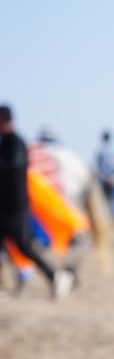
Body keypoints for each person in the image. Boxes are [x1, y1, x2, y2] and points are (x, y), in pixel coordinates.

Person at [0, 106, 72, 298]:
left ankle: (55, 276)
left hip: (16, 208)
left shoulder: (16, 144)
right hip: (4, 208)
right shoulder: (4, 143)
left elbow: (13, 170)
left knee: (24, 247)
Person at [95, 129, 114, 219]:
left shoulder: (100, 152)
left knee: (105, 199)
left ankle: (108, 216)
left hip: (105, 179)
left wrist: (106, 177)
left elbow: (100, 167)